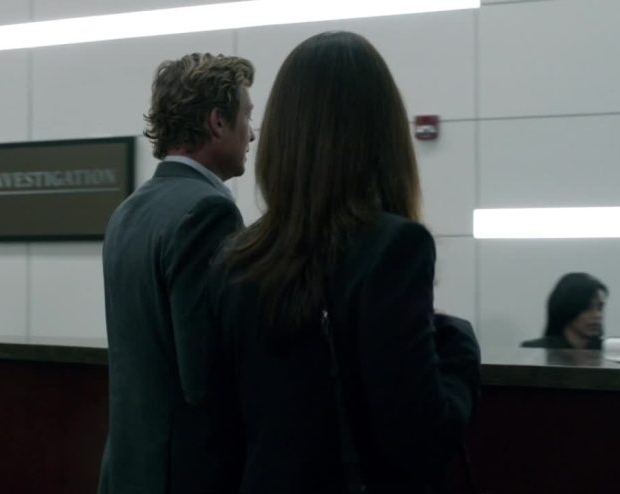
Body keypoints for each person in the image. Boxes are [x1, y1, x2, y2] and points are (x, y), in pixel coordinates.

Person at [209, 31, 480, 493]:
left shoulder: (236, 257)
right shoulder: (395, 248)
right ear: (383, 132)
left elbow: (226, 425)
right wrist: (460, 348)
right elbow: (419, 439)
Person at [99, 53, 254, 494]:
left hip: (130, 468)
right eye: (247, 116)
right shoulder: (209, 211)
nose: (252, 133)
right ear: (217, 122)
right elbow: (205, 375)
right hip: (187, 473)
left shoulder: (127, 211)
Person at [522, 272, 608, 350]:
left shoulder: (608, 351)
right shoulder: (536, 350)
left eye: (599, 308)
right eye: (587, 308)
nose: (598, 315)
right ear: (567, 308)